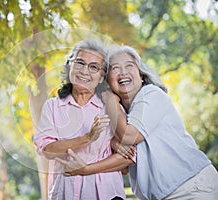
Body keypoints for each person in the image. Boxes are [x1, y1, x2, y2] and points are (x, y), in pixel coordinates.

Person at [56, 44, 218, 200]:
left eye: (129, 66)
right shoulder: (118, 114)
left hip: (192, 187)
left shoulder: (152, 95)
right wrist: (112, 142)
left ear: (141, 76)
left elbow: (129, 137)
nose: (123, 72)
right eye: (115, 68)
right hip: (162, 195)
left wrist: (109, 98)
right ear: (107, 80)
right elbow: (124, 167)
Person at [33, 40, 134, 200]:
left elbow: (129, 157)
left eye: (93, 67)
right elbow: (47, 150)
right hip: (65, 193)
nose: (84, 71)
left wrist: (87, 168)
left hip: (107, 194)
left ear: (101, 77)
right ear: (69, 67)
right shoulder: (52, 106)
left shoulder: (110, 105)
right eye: (80, 63)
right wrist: (87, 138)